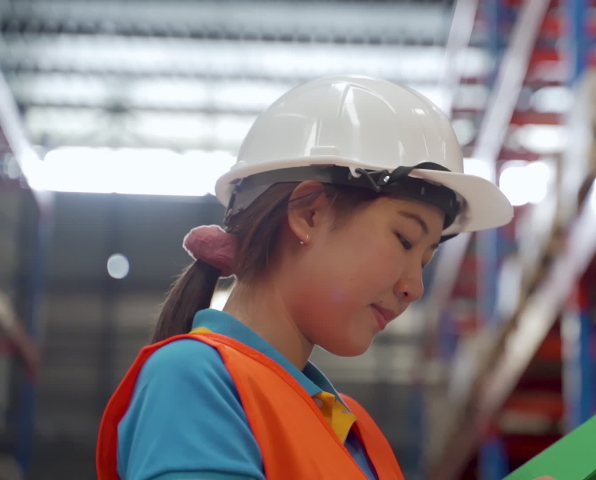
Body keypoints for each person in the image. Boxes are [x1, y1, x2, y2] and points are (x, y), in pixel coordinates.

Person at [95, 76, 554, 479]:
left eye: (427, 259)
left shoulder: (354, 430)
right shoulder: (195, 381)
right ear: (310, 213)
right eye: (404, 240)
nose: (414, 286)